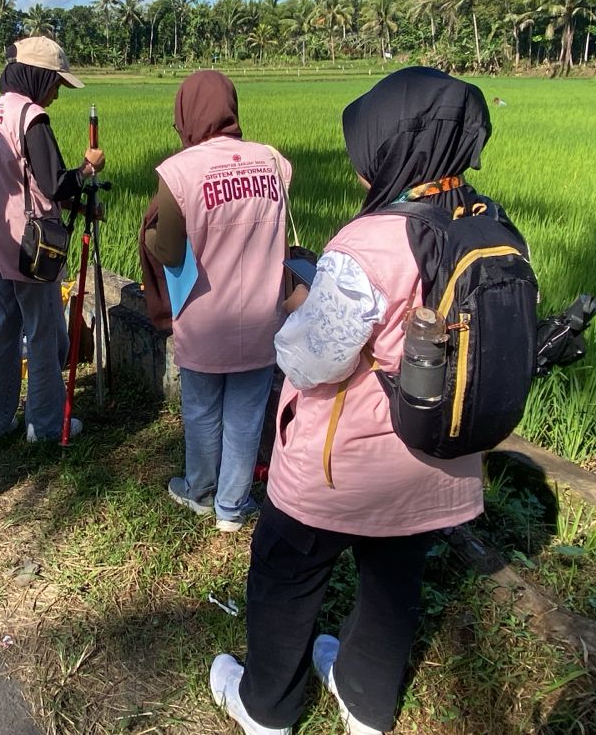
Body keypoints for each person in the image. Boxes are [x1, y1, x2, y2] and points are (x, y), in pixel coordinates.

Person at [210, 68, 497, 734]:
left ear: (397, 147)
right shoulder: (490, 227)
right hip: (434, 464)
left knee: (286, 577)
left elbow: (312, 362)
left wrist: (296, 306)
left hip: (341, 469)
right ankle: (366, 707)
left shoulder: (371, 241)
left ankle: (266, 708)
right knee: (393, 586)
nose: (360, 164)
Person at [144, 70, 290, 533]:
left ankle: (200, 491)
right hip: (263, 317)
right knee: (247, 416)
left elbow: (169, 251)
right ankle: (232, 506)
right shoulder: (273, 161)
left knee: (202, 411)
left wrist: (147, 236)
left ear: (186, 113)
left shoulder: (179, 171)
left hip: (205, 318)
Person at [0, 36, 104, 445]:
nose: (56, 93)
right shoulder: (32, 117)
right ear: (38, 76)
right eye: (55, 83)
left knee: (3, 332)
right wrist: (87, 169)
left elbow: (23, 183)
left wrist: (75, 202)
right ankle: (45, 426)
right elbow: (54, 184)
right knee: (43, 336)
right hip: (30, 250)